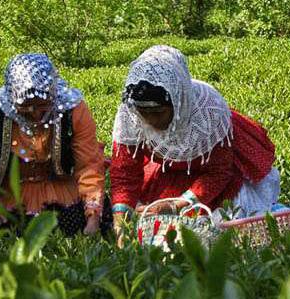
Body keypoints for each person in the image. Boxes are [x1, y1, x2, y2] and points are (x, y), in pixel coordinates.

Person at [109, 45, 279, 228]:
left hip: (214, 177)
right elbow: (125, 174)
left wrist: (177, 205)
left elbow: (218, 172)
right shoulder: (130, 116)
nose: (151, 121)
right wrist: (120, 225)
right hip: (169, 170)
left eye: (158, 112)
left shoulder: (208, 115)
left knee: (220, 226)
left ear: (178, 103)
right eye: (144, 113)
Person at [0, 54, 107, 236]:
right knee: (8, 231)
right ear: (12, 99)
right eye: (26, 108)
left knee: (72, 224)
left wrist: (93, 215)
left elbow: (89, 165)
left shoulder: (73, 112)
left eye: (42, 106)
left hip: (63, 191)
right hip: (10, 197)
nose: (35, 114)